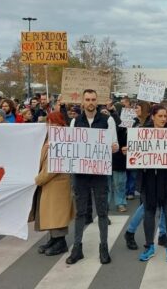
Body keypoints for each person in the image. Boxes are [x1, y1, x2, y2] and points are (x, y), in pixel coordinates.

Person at [66, 89, 119, 265]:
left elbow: (115, 143)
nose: (90, 102)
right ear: (83, 101)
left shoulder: (107, 120)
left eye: (93, 99)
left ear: (97, 101)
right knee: (80, 212)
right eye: (87, 99)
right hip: (81, 173)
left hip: (99, 173)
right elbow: (71, 145)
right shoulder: (75, 121)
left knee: (102, 211)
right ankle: (77, 247)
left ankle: (103, 247)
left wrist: (114, 147)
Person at [134, 105, 167, 262]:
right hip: (148, 178)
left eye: (165, 116)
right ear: (152, 117)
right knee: (149, 213)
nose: (163, 119)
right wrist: (129, 151)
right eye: (160, 116)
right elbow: (135, 152)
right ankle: (149, 246)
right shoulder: (142, 132)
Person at [31, 115, 77, 257]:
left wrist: (38, 180)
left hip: (57, 183)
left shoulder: (63, 140)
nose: (51, 126)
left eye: (55, 123)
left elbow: (54, 167)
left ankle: (60, 242)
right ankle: (53, 239)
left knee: (57, 213)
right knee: (50, 213)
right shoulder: (47, 139)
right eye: (50, 123)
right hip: (48, 184)